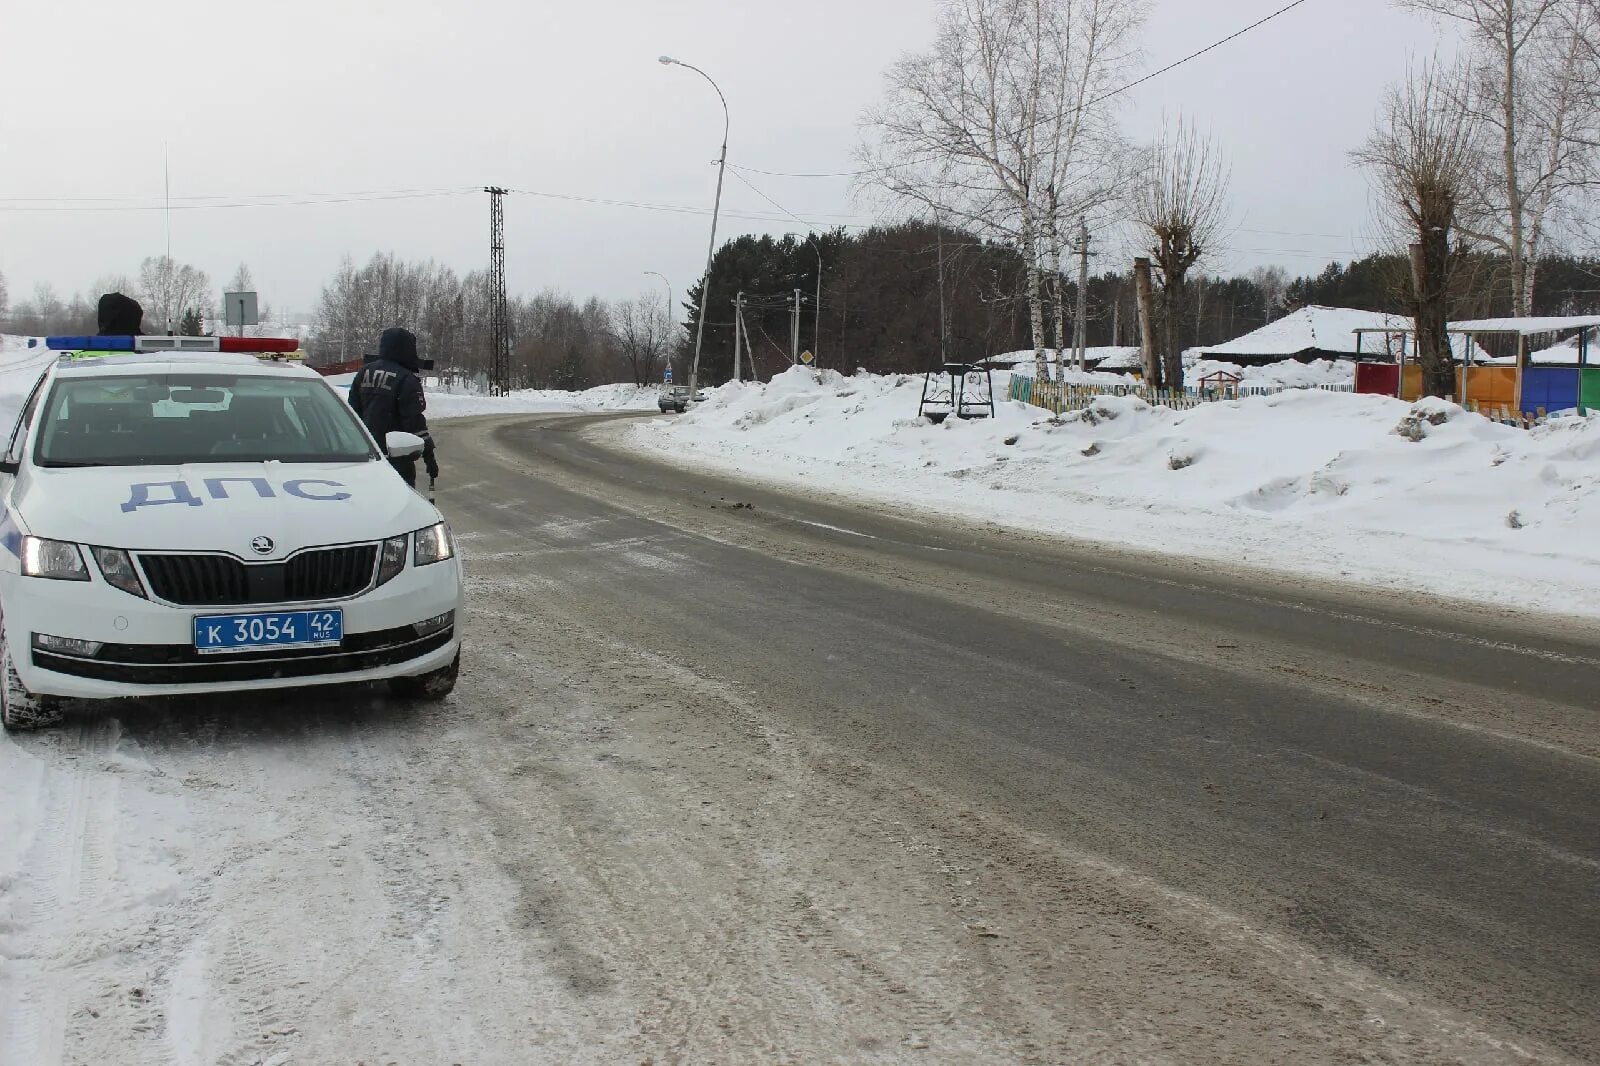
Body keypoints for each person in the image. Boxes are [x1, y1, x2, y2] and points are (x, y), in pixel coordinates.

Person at [348, 327, 438, 489]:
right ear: (407, 349)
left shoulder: (364, 372)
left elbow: (351, 414)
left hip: (363, 455)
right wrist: (428, 454)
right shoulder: (406, 379)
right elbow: (414, 422)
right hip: (396, 458)